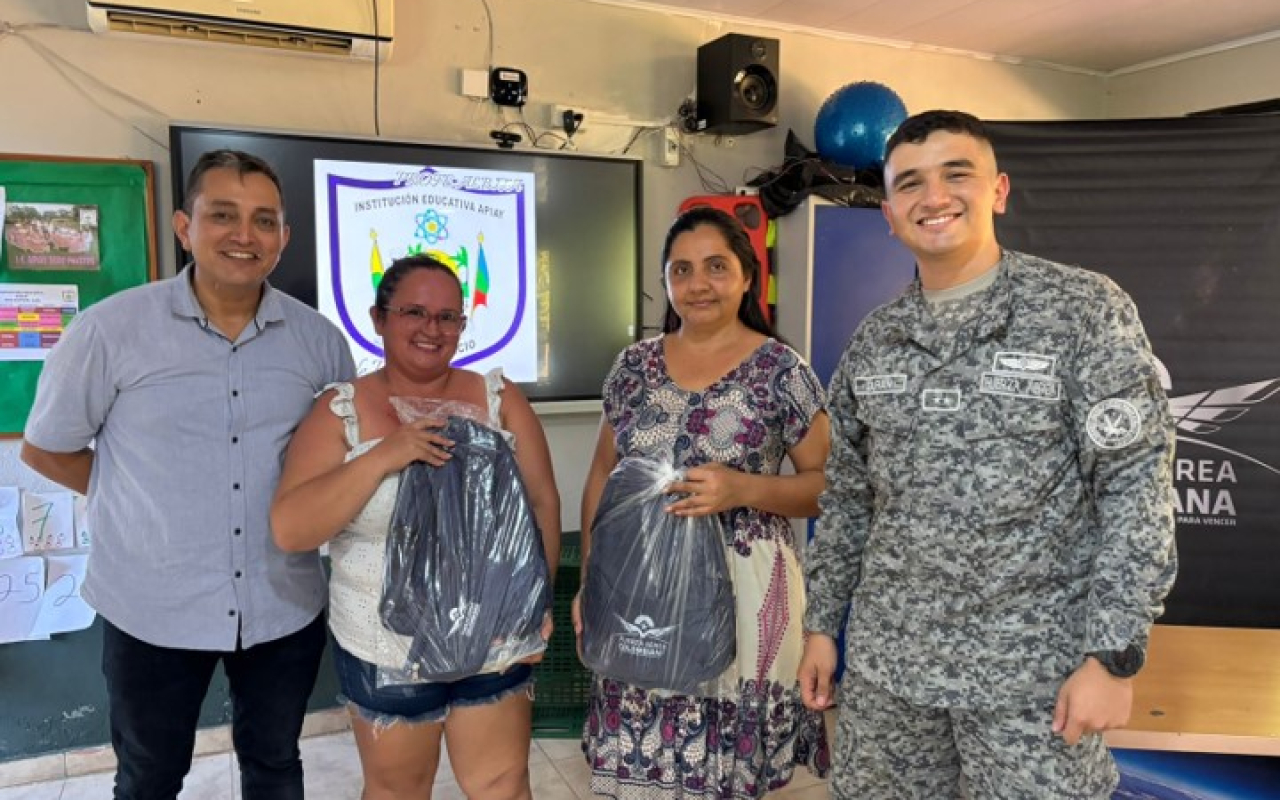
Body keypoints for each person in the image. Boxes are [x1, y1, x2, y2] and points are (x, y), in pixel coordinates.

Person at [798, 109, 1178, 799]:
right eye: (910, 183)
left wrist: (1113, 656)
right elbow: (849, 499)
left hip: (1033, 679)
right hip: (893, 675)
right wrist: (822, 626)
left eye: (956, 173)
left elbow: (1136, 489)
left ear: (998, 190)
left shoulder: (1083, 310)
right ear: (888, 214)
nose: (934, 196)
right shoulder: (876, 341)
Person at [20, 150, 356, 799]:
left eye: (264, 221)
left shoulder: (319, 343)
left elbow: (336, 462)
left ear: (283, 238)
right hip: (152, 606)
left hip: (281, 604)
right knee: (149, 777)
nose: (243, 235)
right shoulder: (109, 331)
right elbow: (45, 449)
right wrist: (138, 499)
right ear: (184, 227)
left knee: (275, 764)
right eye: (222, 214)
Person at [270, 254, 561, 800]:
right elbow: (292, 529)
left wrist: (532, 606)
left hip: (495, 639)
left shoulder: (499, 400)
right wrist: (386, 455)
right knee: (397, 791)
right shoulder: (340, 411)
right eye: (414, 312)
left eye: (449, 317)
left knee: (501, 784)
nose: (433, 329)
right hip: (388, 648)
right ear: (379, 318)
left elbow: (542, 505)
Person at [574, 206, 832, 798]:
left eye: (716, 266)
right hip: (637, 587)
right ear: (666, 282)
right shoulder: (633, 366)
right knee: (641, 764)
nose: (698, 284)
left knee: (725, 773)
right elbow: (599, 477)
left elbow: (830, 486)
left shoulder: (780, 371)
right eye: (681, 270)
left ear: (746, 276)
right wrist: (592, 577)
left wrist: (744, 488)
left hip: (745, 591)